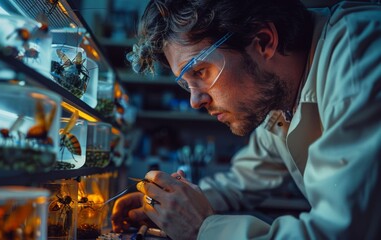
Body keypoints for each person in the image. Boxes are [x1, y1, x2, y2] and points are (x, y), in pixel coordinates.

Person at [111, 0, 381, 239]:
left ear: (264, 41)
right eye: (186, 85)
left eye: (201, 72)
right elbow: (241, 182)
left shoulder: (358, 58)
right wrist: (172, 206)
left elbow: (340, 232)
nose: (195, 102)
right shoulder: (281, 96)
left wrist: (201, 229)